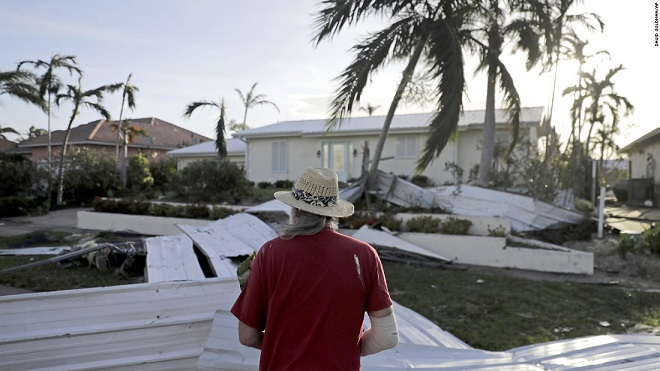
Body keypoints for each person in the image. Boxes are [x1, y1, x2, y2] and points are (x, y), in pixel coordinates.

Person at [231, 166, 398, 370]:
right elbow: (387, 336)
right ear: (332, 213)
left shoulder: (269, 253)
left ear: (294, 209)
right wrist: (342, 349)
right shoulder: (364, 255)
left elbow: (247, 336)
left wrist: (286, 347)